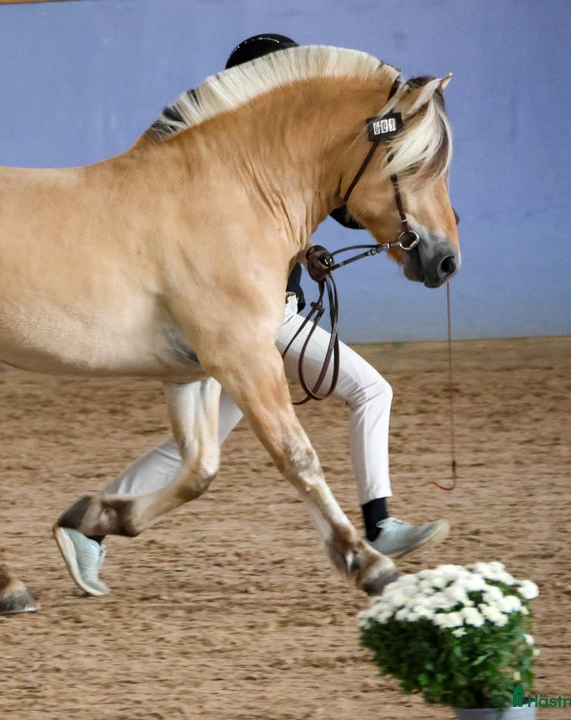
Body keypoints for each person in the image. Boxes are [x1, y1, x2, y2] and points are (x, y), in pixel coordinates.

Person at [53, 34, 449, 596]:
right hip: (263, 322)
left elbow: (347, 211)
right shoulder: (239, 164)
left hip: (258, 320)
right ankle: (378, 523)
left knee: (196, 446)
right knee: (370, 391)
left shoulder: (291, 163)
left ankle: (89, 525)